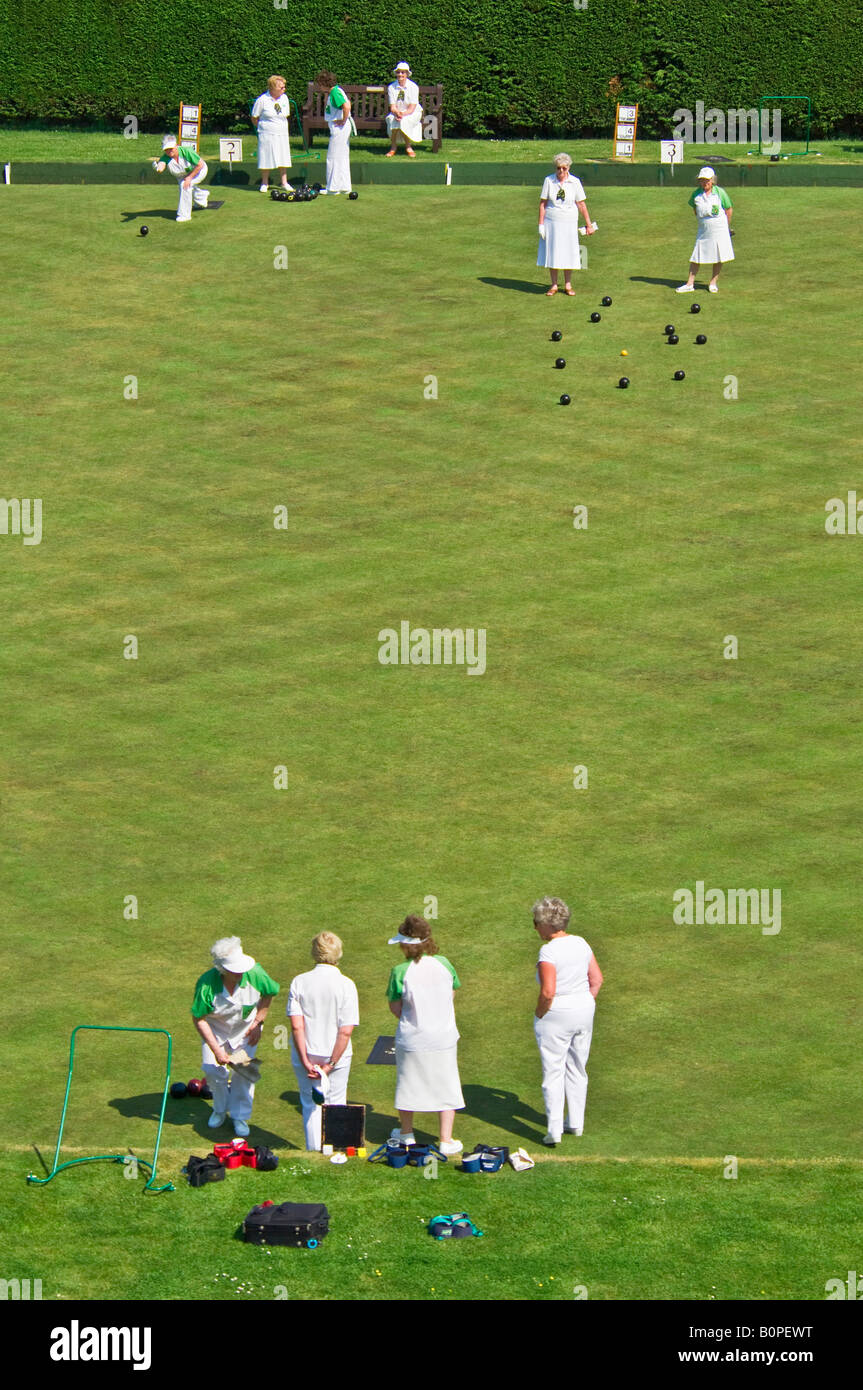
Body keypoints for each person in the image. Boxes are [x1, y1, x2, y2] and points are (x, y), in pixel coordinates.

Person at [386, 915, 464, 1155]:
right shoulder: (444, 963)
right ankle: (446, 1139)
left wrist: (415, 1018)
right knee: (447, 1083)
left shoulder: (400, 971)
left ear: (408, 945)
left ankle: (407, 1135)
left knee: (407, 1084)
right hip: (443, 1037)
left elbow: (395, 1007)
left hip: (412, 1039)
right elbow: (452, 992)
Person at [532, 896, 603, 1146]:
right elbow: (596, 980)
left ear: (547, 924)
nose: (535, 926)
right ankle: (575, 1123)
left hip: (556, 1014)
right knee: (577, 1066)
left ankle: (553, 1131)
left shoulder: (548, 950)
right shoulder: (581, 943)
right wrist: (584, 1002)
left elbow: (548, 991)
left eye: (536, 922)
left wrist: (540, 1013)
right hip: (584, 1009)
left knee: (553, 1070)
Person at [191, 936, 279, 1138]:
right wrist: (217, 1049)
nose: (240, 972)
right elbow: (199, 1018)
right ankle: (219, 1110)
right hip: (216, 1032)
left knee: (244, 1073)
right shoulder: (206, 984)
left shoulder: (255, 973)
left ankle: (240, 1116)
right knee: (213, 1071)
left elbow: (269, 993)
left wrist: (258, 1022)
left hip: (245, 1034)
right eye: (235, 969)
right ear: (222, 969)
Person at [287, 932, 359, 1151]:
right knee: (336, 1103)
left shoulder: (299, 981)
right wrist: (330, 1064)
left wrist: (306, 1060)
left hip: (306, 1054)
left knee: (310, 1104)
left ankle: (313, 1151)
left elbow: (297, 1026)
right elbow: (344, 1032)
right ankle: (332, 1152)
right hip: (336, 1055)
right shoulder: (347, 985)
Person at [537, 153, 596, 296]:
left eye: (564, 168)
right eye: (558, 168)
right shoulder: (549, 181)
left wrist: (589, 224)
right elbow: (543, 204)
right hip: (552, 222)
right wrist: (541, 225)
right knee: (553, 252)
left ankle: (568, 285)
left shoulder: (575, 182)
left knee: (568, 252)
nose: (561, 171)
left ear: (568, 167)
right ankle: (554, 285)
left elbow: (581, 204)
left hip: (569, 222)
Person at [677, 166, 734, 293]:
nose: (704, 182)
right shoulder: (696, 194)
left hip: (720, 228)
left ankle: (713, 283)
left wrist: (727, 227)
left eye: (707, 180)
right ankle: (690, 284)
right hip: (704, 229)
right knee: (696, 255)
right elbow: (695, 209)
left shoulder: (720, 192)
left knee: (719, 256)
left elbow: (728, 209)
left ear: (712, 180)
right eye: (702, 180)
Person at [251, 74, 294, 194]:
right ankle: (264, 183)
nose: (284, 89)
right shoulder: (262, 100)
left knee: (283, 156)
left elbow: (284, 115)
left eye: (284, 87)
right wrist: (262, 128)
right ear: (272, 88)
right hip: (266, 133)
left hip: (282, 132)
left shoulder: (284, 98)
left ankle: (284, 182)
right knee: (266, 156)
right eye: (281, 87)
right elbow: (254, 117)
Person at [153, 136, 209, 223]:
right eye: (166, 149)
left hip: (198, 171)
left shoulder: (186, 151)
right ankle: (202, 197)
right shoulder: (166, 157)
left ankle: (184, 215)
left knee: (185, 186)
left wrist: (189, 178)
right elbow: (161, 165)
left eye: (171, 148)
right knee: (186, 186)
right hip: (183, 175)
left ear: (176, 145)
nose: (169, 151)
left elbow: (200, 164)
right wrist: (157, 168)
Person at [317, 71, 354, 194]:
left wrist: (343, 120)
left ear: (324, 83)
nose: (319, 87)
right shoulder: (335, 91)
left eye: (320, 84)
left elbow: (346, 106)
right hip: (340, 127)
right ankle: (344, 187)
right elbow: (348, 104)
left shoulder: (335, 92)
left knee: (333, 157)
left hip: (340, 128)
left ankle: (332, 188)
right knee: (341, 156)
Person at [386, 62, 423, 157]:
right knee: (391, 120)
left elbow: (412, 108)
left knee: (404, 121)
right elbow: (392, 106)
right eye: (398, 72)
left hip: (413, 113)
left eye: (403, 72)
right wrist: (397, 113)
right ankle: (393, 147)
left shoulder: (413, 87)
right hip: (396, 112)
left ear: (407, 74)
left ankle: (408, 147)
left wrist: (402, 114)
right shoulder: (391, 87)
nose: (400, 75)